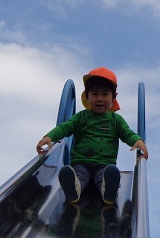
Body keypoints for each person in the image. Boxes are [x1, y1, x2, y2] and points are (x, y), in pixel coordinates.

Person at [36, 67, 148, 205]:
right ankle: (74, 189)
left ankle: (109, 191)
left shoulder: (116, 120)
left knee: (105, 177)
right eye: (94, 94)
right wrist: (49, 137)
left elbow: (126, 133)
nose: (100, 99)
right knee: (79, 176)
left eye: (105, 94)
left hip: (104, 164)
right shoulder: (81, 117)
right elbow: (65, 127)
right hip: (81, 162)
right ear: (87, 96)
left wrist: (137, 140)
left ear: (113, 97)